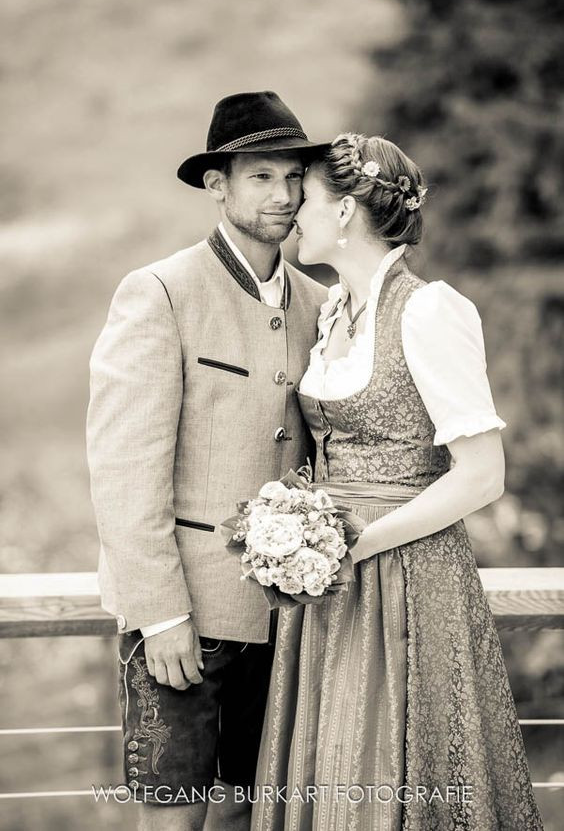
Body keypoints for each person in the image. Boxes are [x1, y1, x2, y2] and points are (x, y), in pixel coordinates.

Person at [251, 133, 543, 830]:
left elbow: (481, 477)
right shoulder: (328, 313)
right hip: (330, 582)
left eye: (309, 197)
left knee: (401, 764)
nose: (294, 210)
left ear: (347, 211)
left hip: (409, 575)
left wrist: (356, 543)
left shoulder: (428, 310)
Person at [86, 90, 328, 831]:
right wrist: (160, 617)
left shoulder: (322, 302)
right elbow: (125, 469)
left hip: (290, 622)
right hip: (185, 621)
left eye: (293, 178)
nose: (283, 196)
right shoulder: (159, 291)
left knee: (259, 817)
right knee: (174, 820)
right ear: (216, 184)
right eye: (261, 177)